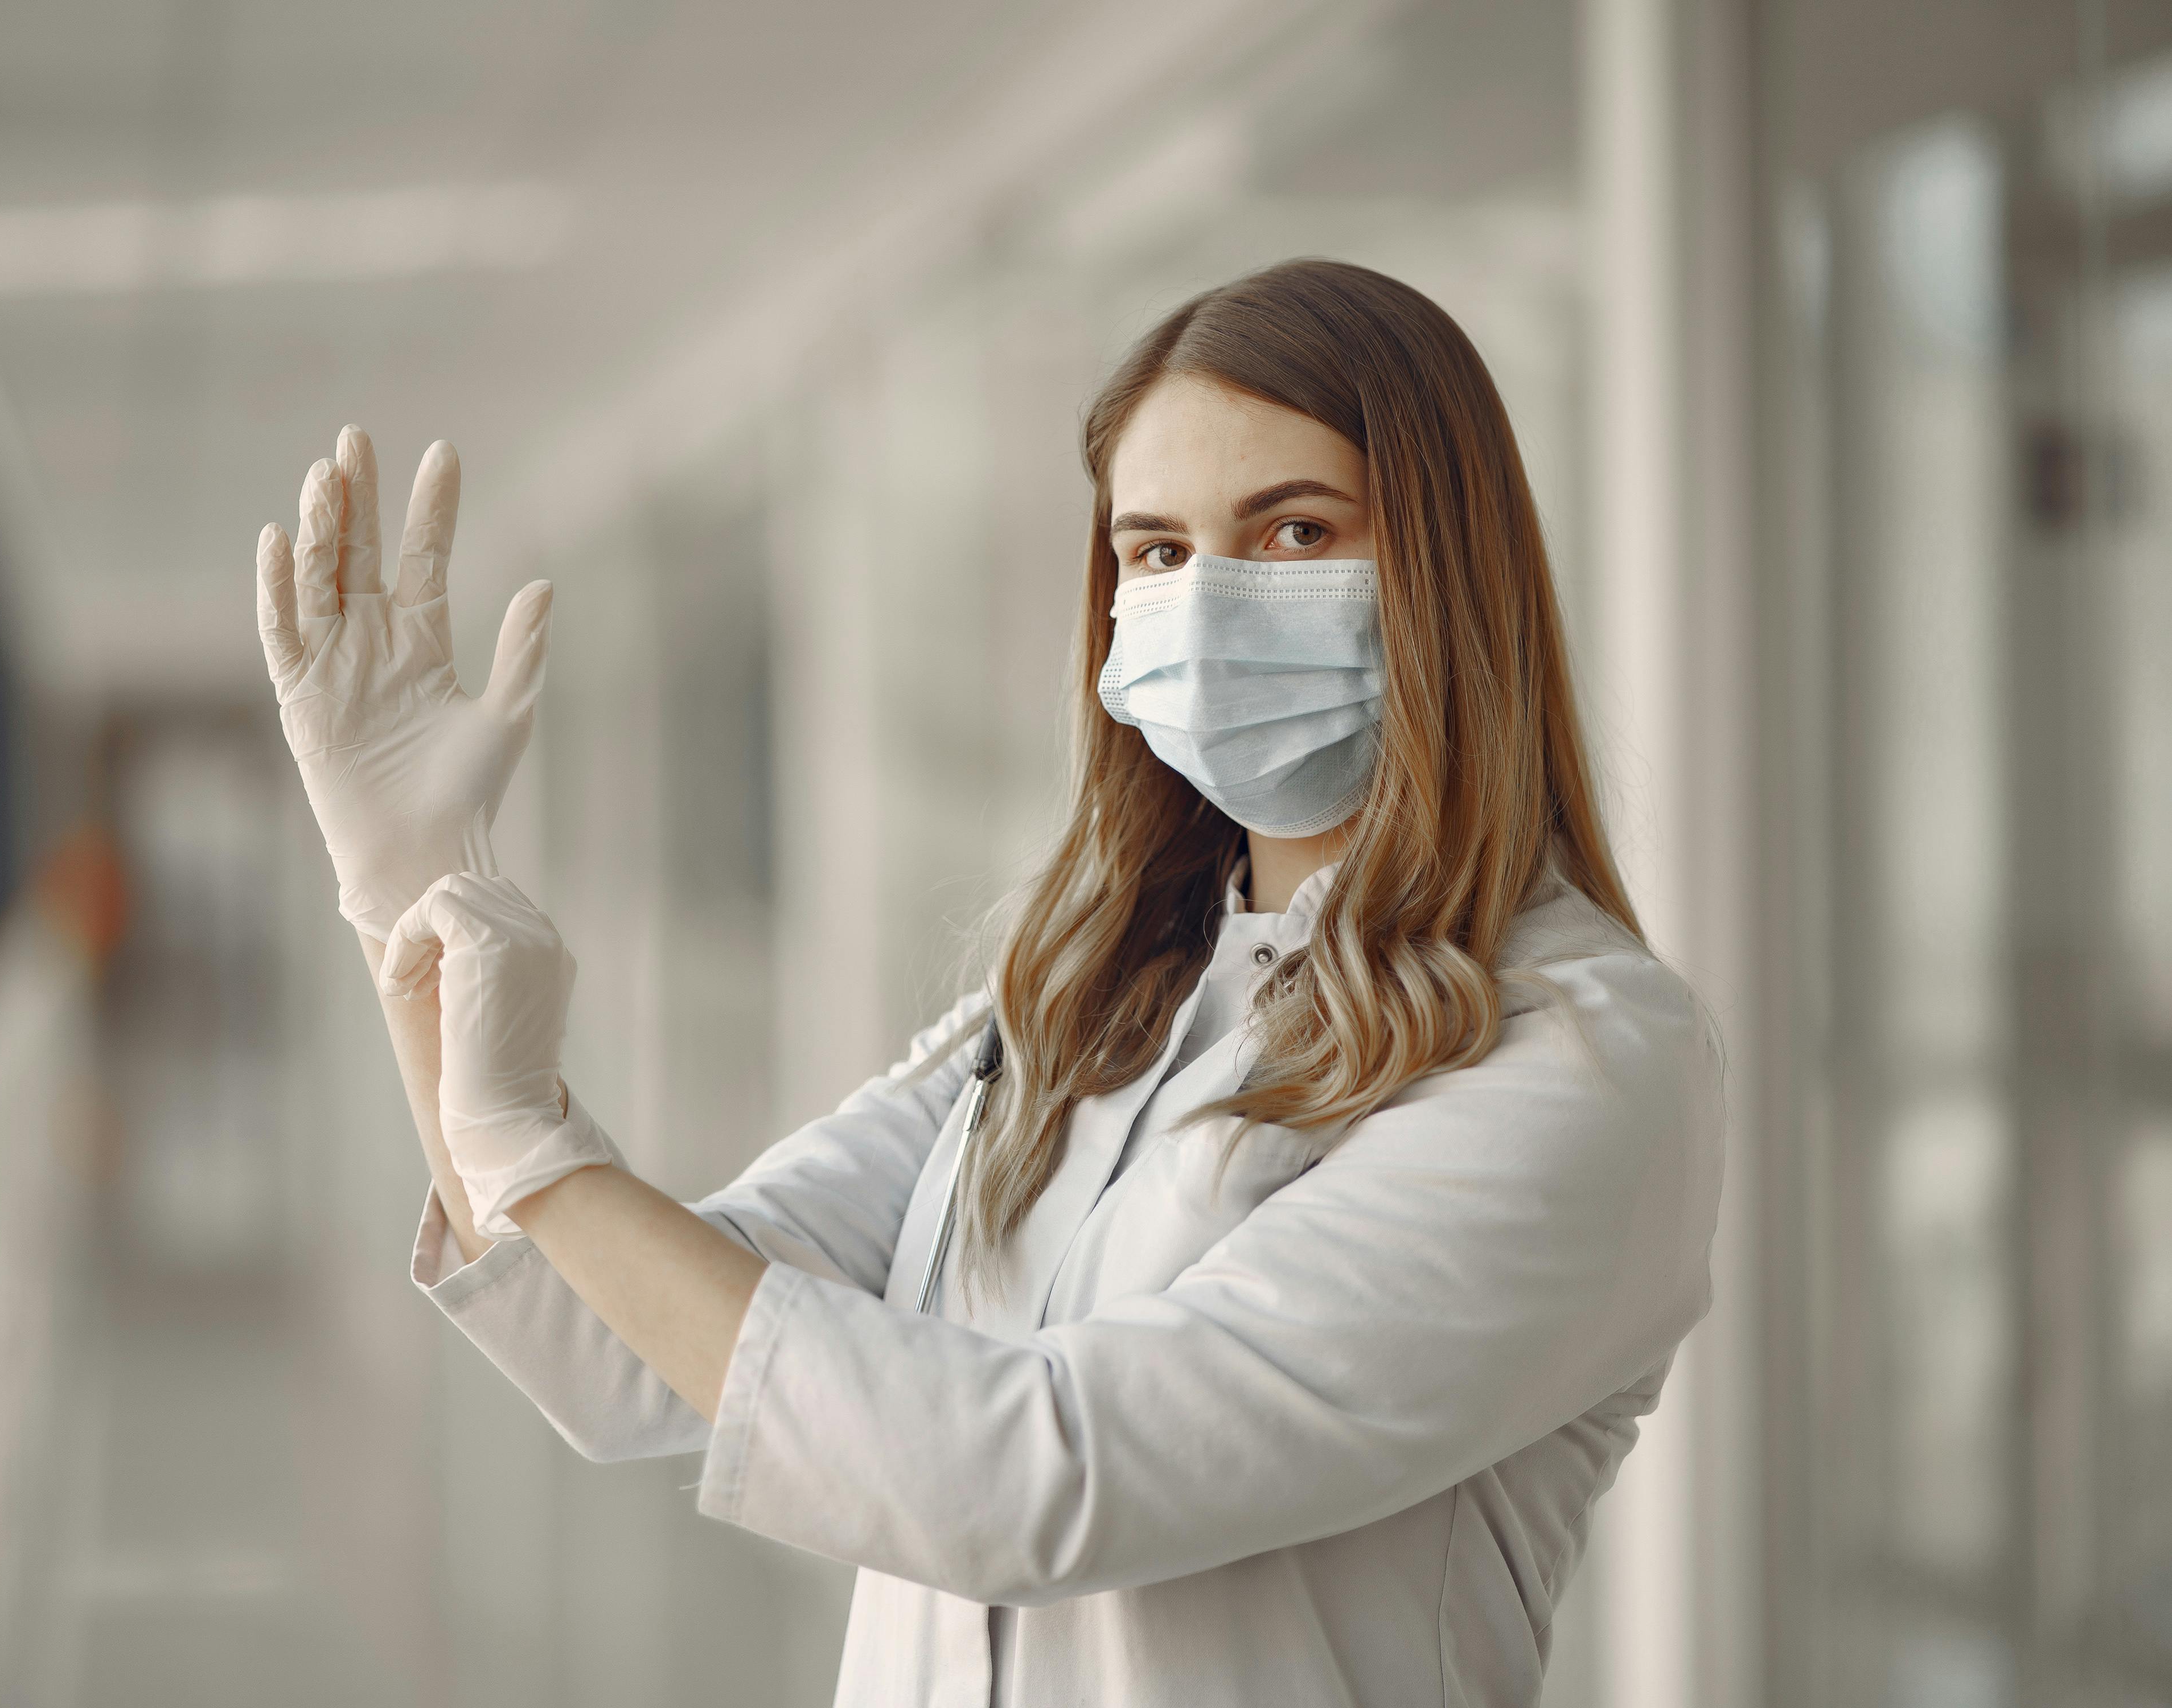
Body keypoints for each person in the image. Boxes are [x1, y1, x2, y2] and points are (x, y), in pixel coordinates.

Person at [252, 258, 1723, 1708]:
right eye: (1154, 552)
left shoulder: (1573, 1058)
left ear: (1449, 569)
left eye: (1289, 530)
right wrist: (411, 901)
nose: (1207, 606)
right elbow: (621, 1353)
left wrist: (533, 1143)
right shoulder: (1083, 1001)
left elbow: (1032, 1483)